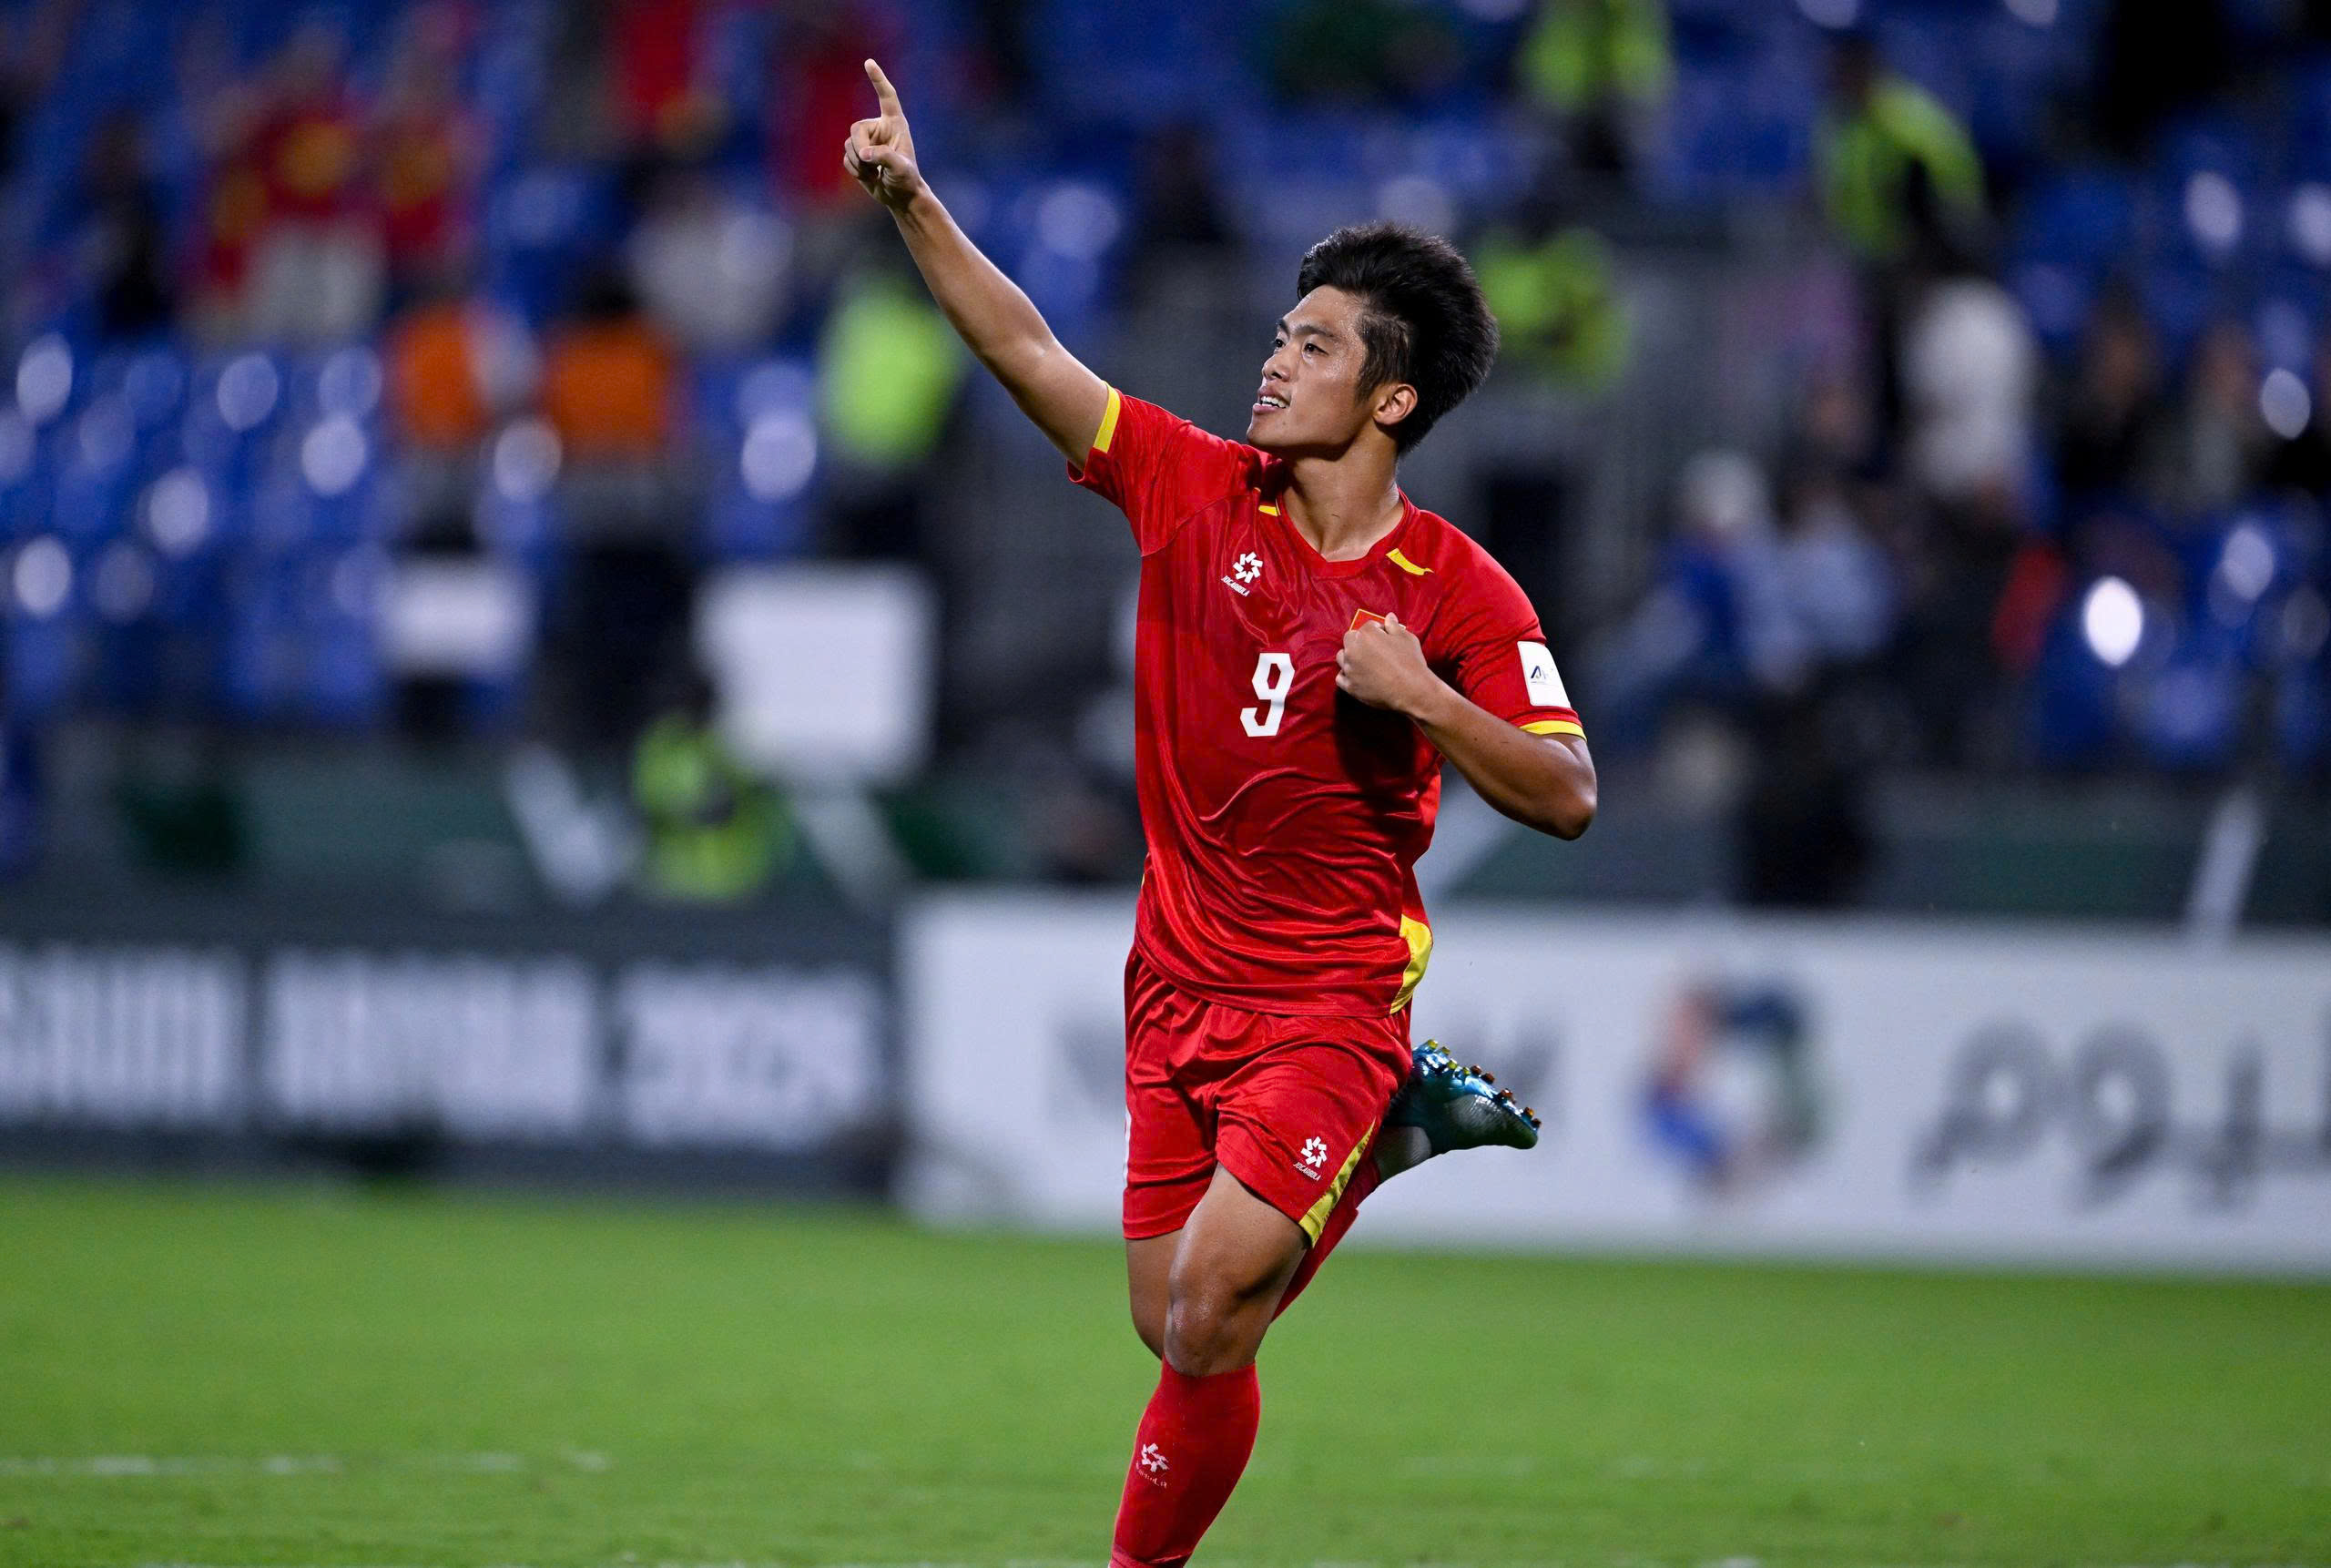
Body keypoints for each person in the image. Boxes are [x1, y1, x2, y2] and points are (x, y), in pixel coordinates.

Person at [844, 59, 1597, 1566]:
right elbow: (1024, 348)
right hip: (1175, 979)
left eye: (1314, 346)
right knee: (1171, 1317)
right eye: (1279, 334)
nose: (1274, 361)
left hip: (1331, 997)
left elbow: (1567, 793)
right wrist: (914, 203)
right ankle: (1384, 1142)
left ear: (1390, 398)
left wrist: (1430, 700)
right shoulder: (1193, 489)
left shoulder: (1460, 592)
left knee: (1203, 1310)